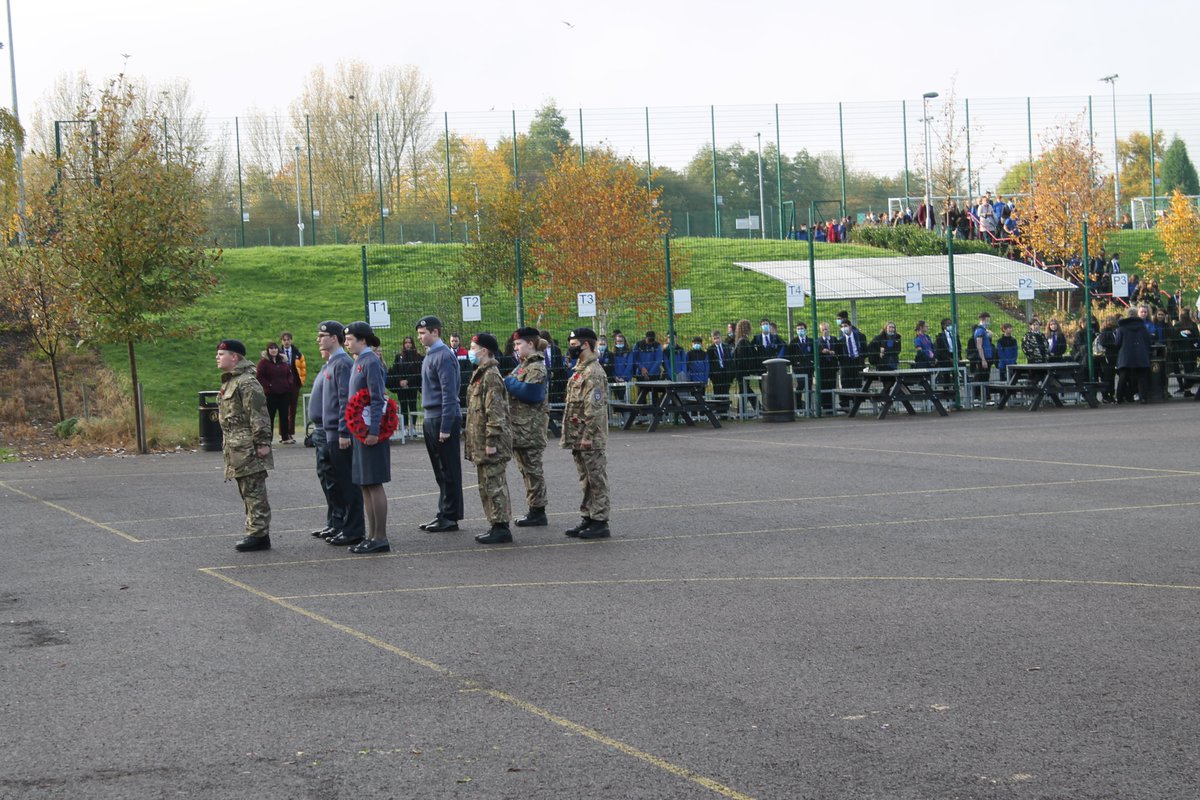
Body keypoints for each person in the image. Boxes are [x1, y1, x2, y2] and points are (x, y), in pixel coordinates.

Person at [215, 339, 274, 552]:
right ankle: (254, 531)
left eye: (221, 354)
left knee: (254, 491)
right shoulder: (231, 381)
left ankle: (259, 534)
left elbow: (258, 413)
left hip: (248, 446)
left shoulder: (247, 382)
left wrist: (262, 442)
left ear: (234, 357)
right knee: (246, 491)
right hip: (236, 446)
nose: (217, 358)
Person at [315, 321, 366, 548]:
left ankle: (353, 529)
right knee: (334, 482)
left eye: (322, 336)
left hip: (338, 433)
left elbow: (346, 400)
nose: (319, 340)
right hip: (329, 431)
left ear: (333, 338)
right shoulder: (333, 363)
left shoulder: (342, 363)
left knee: (347, 483)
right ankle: (341, 524)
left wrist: (344, 430)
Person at [343, 321, 391, 554]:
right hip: (360, 431)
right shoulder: (360, 361)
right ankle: (371, 536)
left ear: (362, 340)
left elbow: (377, 398)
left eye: (350, 339)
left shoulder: (370, 361)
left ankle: (380, 536)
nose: (346, 343)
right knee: (365, 484)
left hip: (370, 432)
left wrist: (373, 431)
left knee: (374, 483)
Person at [463, 333, 513, 545]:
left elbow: (495, 413)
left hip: (491, 443)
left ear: (484, 351)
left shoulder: (491, 376)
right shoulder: (481, 374)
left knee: (494, 485)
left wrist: (491, 442)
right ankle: (495, 524)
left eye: (473, 348)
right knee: (486, 485)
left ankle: (501, 527)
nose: (470, 351)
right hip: (481, 442)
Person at [561, 327, 610, 539]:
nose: (571, 349)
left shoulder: (593, 372)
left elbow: (595, 408)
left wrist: (588, 436)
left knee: (596, 478)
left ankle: (600, 521)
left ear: (586, 345)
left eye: (574, 345)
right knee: (586, 479)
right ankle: (588, 517)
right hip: (579, 435)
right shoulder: (580, 370)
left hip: (590, 437)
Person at [416, 315, 464, 532]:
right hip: (432, 417)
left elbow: (449, 393)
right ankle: (444, 512)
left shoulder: (443, 356)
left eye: (423, 333)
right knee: (440, 470)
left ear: (435, 332)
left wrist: (445, 426)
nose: (420, 337)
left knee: (448, 470)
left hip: (441, 417)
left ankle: (450, 516)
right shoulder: (432, 355)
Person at [504, 327, 550, 528]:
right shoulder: (523, 366)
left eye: (518, 344)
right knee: (527, 470)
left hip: (531, 429)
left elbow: (531, 393)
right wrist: (512, 382)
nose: (516, 348)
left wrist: (510, 383)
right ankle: (534, 508)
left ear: (530, 344)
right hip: (520, 428)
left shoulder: (536, 367)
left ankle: (538, 511)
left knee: (533, 470)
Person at [256, 342, 294, 444]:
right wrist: (269, 385)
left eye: (275, 348)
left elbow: (289, 374)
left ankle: (285, 437)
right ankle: (269, 438)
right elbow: (259, 377)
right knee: (270, 417)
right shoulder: (263, 363)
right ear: (268, 350)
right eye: (271, 348)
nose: (273, 350)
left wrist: (289, 383)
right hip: (270, 394)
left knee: (284, 416)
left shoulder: (283, 362)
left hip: (284, 393)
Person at [387, 336, 423, 438]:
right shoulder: (399, 356)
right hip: (401, 386)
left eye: (410, 343)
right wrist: (400, 381)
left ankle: (413, 427)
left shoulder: (417, 356)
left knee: (412, 405)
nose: (408, 345)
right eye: (406, 343)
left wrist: (408, 381)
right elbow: (395, 370)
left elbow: (417, 372)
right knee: (403, 407)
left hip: (412, 385)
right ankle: (406, 428)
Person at [1114, 307, 1152, 403]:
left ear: (1127, 315)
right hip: (1140, 354)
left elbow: (1117, 343)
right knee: (1142, 377)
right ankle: (1143, 397)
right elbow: (1148, 340)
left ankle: (1119, 398)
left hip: (1125, 355)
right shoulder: (1143, 327)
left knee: (1123, 377)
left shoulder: (1122, 328)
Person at [279, 331, 306, 444]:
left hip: (294, 383)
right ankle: (283, 433)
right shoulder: (278, 353)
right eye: (284, 340)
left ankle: (290, 432)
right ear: (281, 341)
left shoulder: (297, 353)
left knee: (292, 409)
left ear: (291, 340)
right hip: (282, 384)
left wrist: (301, 381)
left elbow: (303, 367)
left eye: (288, 339)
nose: (286, 342)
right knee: (283, 409)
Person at [838, 317, 867, 408]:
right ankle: (846, 404)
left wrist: (861, 358)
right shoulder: (841, 340)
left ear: (850, 326)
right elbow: (839, 354)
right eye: (842, 327)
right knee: (846, 383)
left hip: (857, 361)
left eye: (845, 326)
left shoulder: (860, 337)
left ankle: (856, 403)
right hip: (846, 363)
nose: (844, 328)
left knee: (857, 383)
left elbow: (865, 350)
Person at [815, 321, 839, 411]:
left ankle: (832, 406)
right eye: (823, 330)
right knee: (823, 386)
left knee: (832, 385)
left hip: (832, 366)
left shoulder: (834, 339)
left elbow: (838, 349)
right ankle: (824, 406)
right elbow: (816, 352)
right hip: (823, 368)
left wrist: (834, 352)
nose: (825, 331)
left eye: (826, 329)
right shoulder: (818, 341)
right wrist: (821, 351)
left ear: (829, 329)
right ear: (820, 330)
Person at [707, 330, 735, 402]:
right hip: (716, 374)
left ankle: (725, 406)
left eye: (718, 338)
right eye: (714, 338)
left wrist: (731, 373)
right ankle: (718, 406)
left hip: (726, 373)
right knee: (717, 392)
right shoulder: (710, 349)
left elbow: (730, 360)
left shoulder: (726, 347)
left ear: (721, 337)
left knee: (725, 392)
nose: (716, 340)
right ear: (712, 339)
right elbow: (709, 363)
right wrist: (712, 375)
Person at [969, 313, 994, 383]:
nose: (988, 322)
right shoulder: (980, 331)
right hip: (983, 358)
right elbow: (979, 345)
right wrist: (983, 359)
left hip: (987, 358)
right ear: (982, 320)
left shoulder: (984, 330)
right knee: (982, 379)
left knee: (986, 378)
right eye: (987, 320)